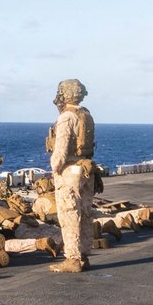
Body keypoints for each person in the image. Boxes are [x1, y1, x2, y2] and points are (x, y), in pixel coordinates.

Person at [46, 79, 100, 273]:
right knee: (85, 214)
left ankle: (72, 259)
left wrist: (54, 169)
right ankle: (84, 255)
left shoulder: (66, 117)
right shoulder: (86, 115)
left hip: (69, 171)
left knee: (69, 215)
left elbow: (60, 151)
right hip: (86, 169)